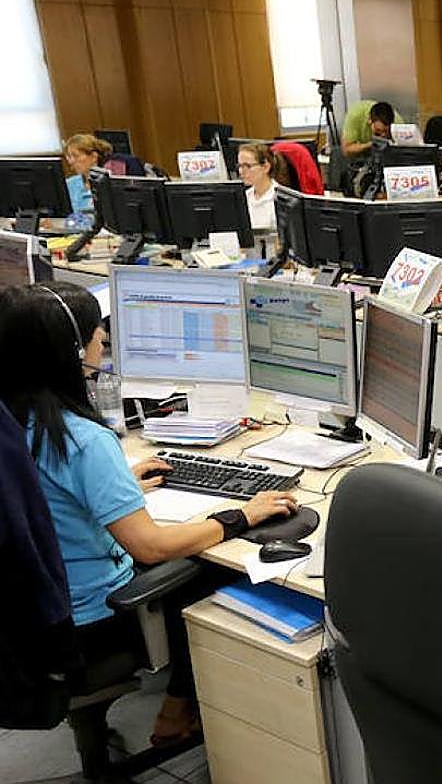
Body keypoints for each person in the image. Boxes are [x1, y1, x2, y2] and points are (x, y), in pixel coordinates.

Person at [0, 283, 298, 744]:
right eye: (100, 341)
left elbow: (38, 500)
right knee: (220, 570)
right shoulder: (80, 440)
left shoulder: (12, 423)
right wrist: (240, 515)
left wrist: (117, 487)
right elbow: (151, 547)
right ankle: (176, 713)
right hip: (93, 626)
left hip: (31, 619)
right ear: (72, 352)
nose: (104, 352)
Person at [62, 134, 115, 218]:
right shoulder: (69, 184)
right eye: (69, 157)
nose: (71, 161)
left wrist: (64, 223)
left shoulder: (109, 185)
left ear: (94, 157)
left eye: (76, 156)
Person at [238, 142, 287, 232]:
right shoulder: (243, 197)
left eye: (247, 166)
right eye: (240, 166)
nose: (241, 171)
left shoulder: (281, 199)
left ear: (265, 167)